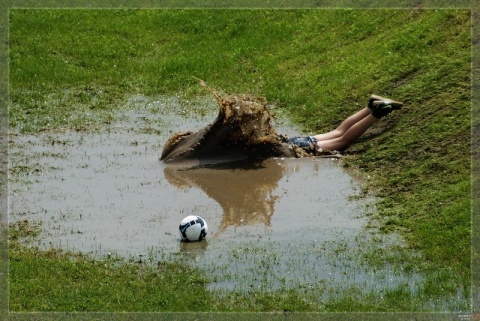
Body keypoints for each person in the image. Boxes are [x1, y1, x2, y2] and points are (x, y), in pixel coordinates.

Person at [288, 95, 403, 153]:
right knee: (338, 131)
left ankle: (379, 111)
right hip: (292, 142)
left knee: (343, 141)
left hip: (295, 149)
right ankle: (370, 107)